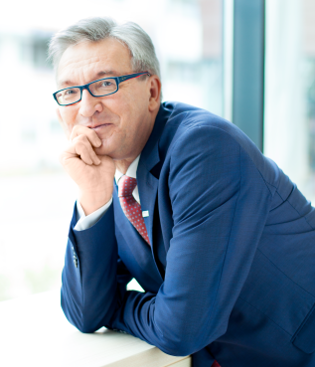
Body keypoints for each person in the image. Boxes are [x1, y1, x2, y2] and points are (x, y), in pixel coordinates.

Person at [49, 17, 315, 367]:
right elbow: (84, 312)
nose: (85, 108)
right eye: (70, 92)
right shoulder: (117, 177)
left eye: (106, 84)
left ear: (152, 91)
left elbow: (181, 329)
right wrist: (93, 197)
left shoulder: (204, 149)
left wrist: (114, 307)